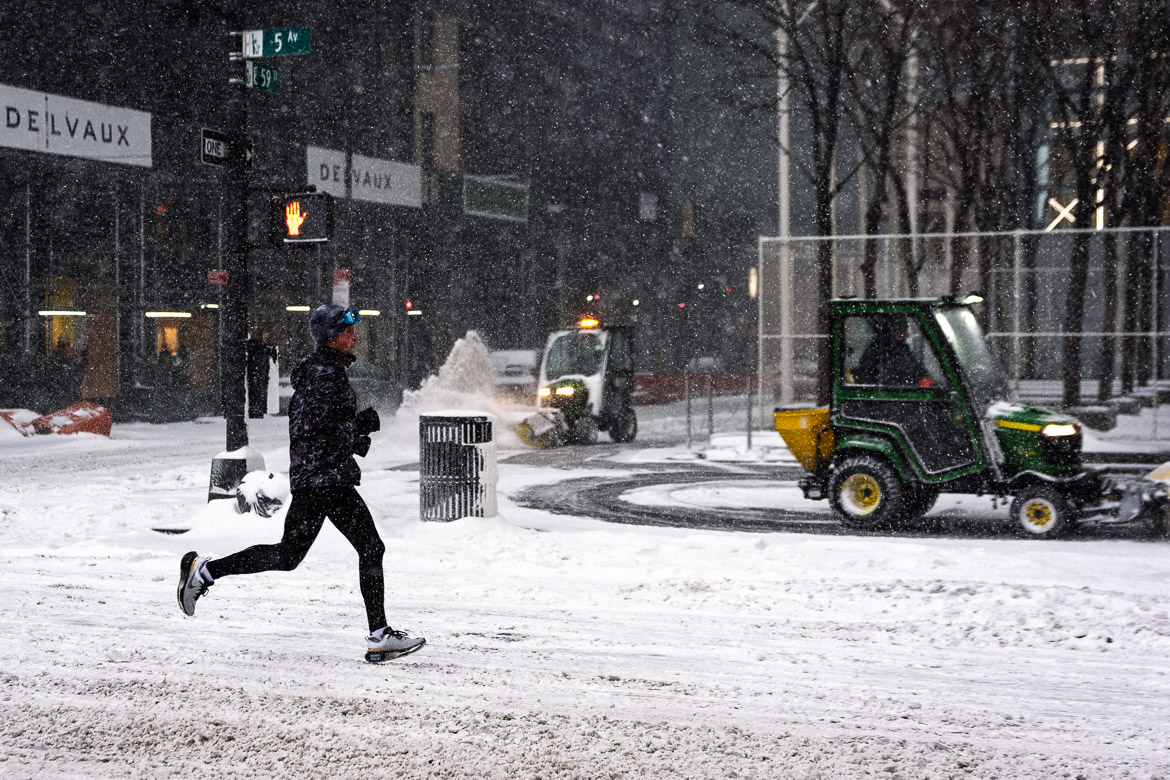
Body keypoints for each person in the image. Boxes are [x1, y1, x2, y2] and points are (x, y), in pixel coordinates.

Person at [177, 303, 424, 663]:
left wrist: (354, 431)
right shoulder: (325, 375)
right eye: (348, 331)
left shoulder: (324, 372)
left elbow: (321, 427)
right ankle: (379, 636)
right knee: (370, 548)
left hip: (320, 477)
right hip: (325, 479)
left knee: (288, 556)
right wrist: (360, 426)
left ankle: (205, 570)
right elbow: (313, 430)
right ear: (332, 337)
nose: (355, 337)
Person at [854, 315, 934, 388]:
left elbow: (918, 372)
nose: (906, 334)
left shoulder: (902, 349)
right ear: (891, 331)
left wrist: (926, 382)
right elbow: (867, 379)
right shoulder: (876, 352)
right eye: (902, 330)